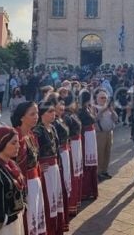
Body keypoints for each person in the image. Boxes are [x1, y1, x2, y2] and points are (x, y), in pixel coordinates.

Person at [12, 101, 46, 234]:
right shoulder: (15, 136)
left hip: (35, 181)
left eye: (37, 113)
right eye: (32, 114)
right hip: (23, 185)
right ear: (21, 117)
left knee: (36, 215)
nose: (36, 116)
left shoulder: (32, 134)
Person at [35, 99, 65, 235]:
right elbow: (33, 152)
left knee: (56, 197)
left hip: (54, 167)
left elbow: (56, 147)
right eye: (50, 111)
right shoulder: (37, 131)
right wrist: (38, 165)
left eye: (54, 111)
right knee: (48, 200)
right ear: (42, 114)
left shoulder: (52, 127)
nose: (54, 114)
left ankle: (57, 227)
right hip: (45, 170)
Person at [53, 98, 72, 229]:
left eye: (63, 105)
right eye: (60, 105)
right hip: (58, 154)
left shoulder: (61, 119)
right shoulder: (54, 123)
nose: (62, 107)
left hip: (64, 151)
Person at [63, 96, 83, 217]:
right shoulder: (66, 117)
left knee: (77, 172)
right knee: (72, 174)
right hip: (71, 145)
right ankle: (70, 205)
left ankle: (76, 201)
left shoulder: (72, 114)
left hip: (76, 143)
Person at [78, 91, 99, 200]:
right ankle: (86, 190)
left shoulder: (87, 108)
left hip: (91, 135)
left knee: (92, 163)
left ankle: (91, 189)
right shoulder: (81, 110)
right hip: (86, 136)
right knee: (87, 163)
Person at [94, 90, 118, 180]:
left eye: (105, 98)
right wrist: (102, 111)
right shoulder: (95, 108)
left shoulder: (109, 108)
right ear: (97, 99)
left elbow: (116, 119)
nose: (104, 99)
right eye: (102, 97)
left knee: (107, 152)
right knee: (100, 153)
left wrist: (112, 111)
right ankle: (99, 172)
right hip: (100, 134)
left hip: (109, 133)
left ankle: (105, 170)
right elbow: (94, 119)